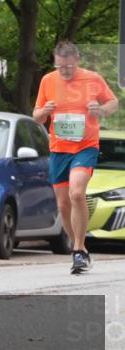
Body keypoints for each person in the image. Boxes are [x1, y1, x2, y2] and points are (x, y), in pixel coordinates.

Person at [32, 41, 119, 274]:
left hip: (85, 146)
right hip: (59, 149)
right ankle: (78, 248)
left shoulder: (93, 79)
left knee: (77, 193)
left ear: (77, 61)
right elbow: (36, 116)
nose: (65, 71)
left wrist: (100, 110)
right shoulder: (48, 81)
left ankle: (79, 249)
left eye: (69, 67)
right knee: (63, 204)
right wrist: (45, 111)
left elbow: (113, 102)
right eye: (60, 67)